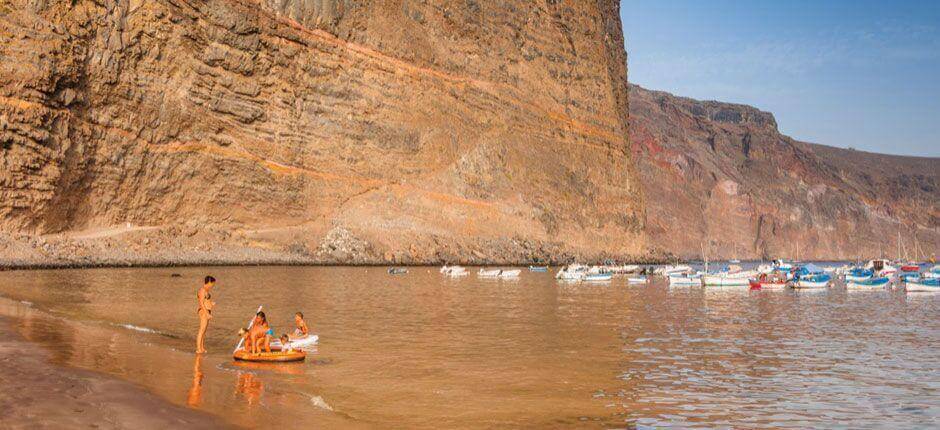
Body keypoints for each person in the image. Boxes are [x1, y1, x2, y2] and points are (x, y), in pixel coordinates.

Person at [195, 276, 216, 353]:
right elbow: (201, 303)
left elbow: (205, 301)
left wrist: (211, 303)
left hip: (207, 311)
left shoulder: (206, 291)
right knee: (201, 330)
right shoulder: (202, 290)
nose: (213, 285)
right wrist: (207, 313)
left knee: (204, 331)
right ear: (209, 282)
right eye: (213, 284)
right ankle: (198, 349)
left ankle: (202, 347)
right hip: (204, 312)